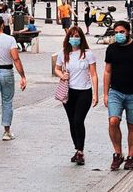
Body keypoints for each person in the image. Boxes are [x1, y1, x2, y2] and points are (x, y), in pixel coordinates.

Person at [104, 20, 133, 171]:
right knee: (113, 121)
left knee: (132, 124)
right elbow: (107, 71)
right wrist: (105, 94)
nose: (119, 35)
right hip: (115, 92)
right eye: (116, 32)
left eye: (121, 32)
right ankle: (118, 153)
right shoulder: (111, 49)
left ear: (128, 32)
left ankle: (130, 157)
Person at [55, 26, 98, 166]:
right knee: (72, 122)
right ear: (68, 38)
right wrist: (62, 75)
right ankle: (77, 148)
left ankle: (80, 151)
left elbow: (93, 74)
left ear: (81, 38)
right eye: (72, 36)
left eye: (77, 36)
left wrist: (96, 94)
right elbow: (57, 68)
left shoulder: (88, 54)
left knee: (79, 120)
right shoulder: (63, 53)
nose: (74, 39)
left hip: (84, 91)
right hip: (69, 92)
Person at [0, 16, 27, 145]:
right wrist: (22, 76)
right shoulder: (10, 40)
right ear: (2, 25)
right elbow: (16, 59)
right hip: (7, 71)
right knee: (7, 102)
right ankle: (6, 131)